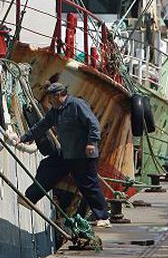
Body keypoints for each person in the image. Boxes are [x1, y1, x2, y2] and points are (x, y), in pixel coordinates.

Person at [15, 82, 111, 228]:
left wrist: (91, 142)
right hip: (67, 153)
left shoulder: (76, 105)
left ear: (59, 95)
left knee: (88, 184)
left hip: (82, 154)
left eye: (51, 97)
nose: (49, 101)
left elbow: (93, 124)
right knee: (47, 167)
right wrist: (23, 138)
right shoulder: (56, 111)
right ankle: (30, 198)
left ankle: (103, 217)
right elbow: (41, 126)